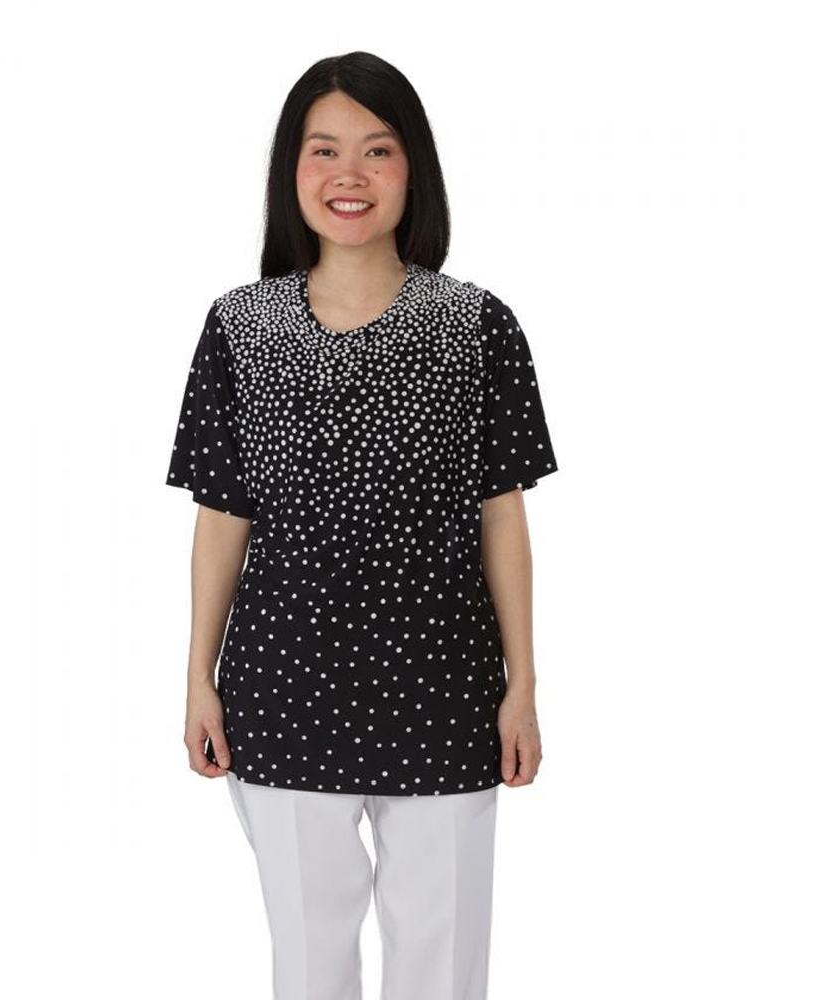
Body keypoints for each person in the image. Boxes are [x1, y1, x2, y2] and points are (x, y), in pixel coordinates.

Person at [165, 50, 560, 1000]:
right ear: (290, 171)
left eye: (378, 150)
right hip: (283, 685)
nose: (350, 174)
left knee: (443, 964)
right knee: (310, 963)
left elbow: (501, 516)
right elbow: (222, 515)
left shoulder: (477, 326)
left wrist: (522, 684)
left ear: (414, 168)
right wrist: (197, 677)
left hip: (445, 684)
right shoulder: (241, 328)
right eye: (324, 150)